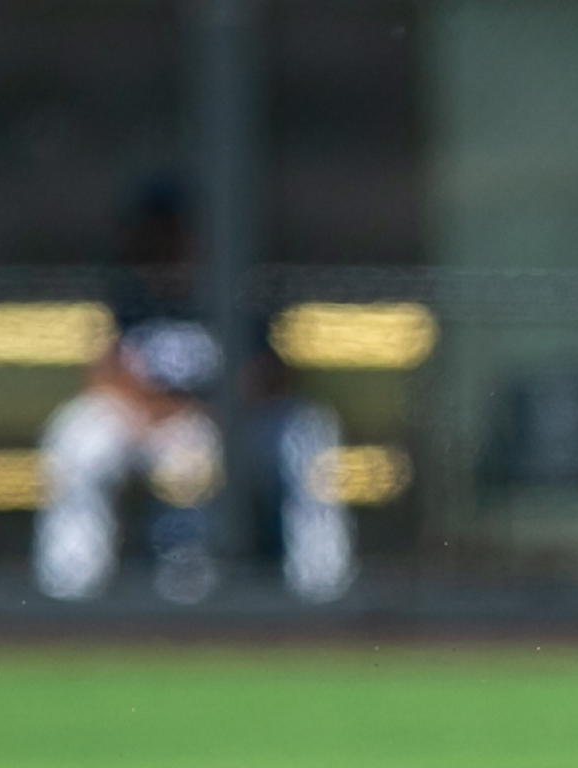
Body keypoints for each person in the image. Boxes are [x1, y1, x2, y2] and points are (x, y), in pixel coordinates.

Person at [35, 180, 354, 605]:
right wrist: (155, 409)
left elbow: (274, 373)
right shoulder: (130, 291)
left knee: (304, 432)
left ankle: (321, 587)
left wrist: (213, 410)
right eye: (155, 231)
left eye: (173, 231)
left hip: (227, 421)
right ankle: (70, 586)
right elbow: (102, 370)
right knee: (78, 436)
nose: (163, 242)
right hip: (150, 423)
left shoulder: (238, 287)